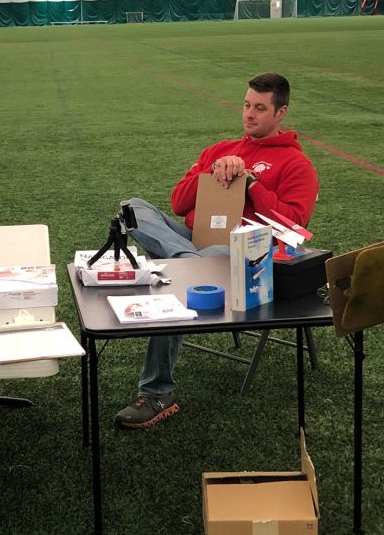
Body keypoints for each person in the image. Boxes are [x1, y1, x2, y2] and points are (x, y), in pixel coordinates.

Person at [113, 73, 319, 429]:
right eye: (246, 105)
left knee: (178, 279)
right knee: (134, 208)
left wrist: (252, 183)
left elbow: (294, 229)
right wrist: (212, 171)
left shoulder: (296, 164)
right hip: (193, 241)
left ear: (281, 112)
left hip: (242, 256)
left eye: (259, 108)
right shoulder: (220, 150)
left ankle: (158, 391)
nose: (249, 115)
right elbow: (178, 204)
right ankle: (185, 265)